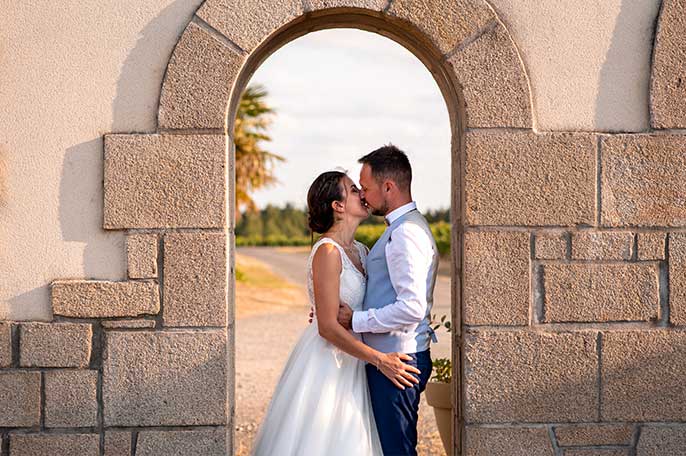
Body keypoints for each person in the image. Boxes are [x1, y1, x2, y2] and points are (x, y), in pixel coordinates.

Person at [251, 170, 420, 456]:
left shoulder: (363, 251)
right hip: (331, 361)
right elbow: (327, 327)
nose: (362, 194)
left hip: (359, 357)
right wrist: (381, 360)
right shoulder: (327, 252)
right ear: (337, 206)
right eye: (354, 190)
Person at [337, 145, 439, 456]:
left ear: (389, 187)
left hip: (398, 363)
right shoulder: (400, 229)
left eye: (365, 188)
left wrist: (354, 319)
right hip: (394, 358)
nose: (363, 196)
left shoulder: (405, 234)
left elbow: (411, 308)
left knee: (397, 451)